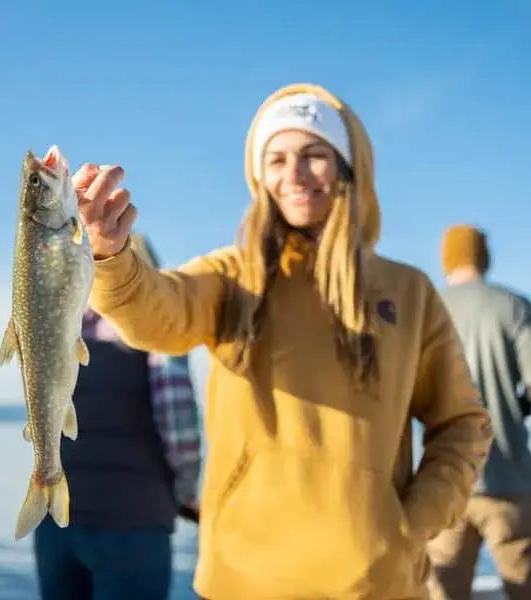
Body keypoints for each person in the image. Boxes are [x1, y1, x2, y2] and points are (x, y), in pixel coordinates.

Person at [74, 83, 493, 599]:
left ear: (346, 167)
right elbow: (159, 309)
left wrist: (410, 524)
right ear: (258, 174)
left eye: (313, 155)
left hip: (374, 582)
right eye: (276, 159)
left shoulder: (408, 292)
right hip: (242, 581)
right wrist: (111, 258)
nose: (292, 175)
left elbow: (463, 424)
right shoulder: (232, 276)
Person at [32, 232, 202, 600]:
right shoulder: (157, 327)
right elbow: (178, 423)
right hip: (133, 523)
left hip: (55, 520)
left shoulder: (63, 327)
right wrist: (188, 492)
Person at [426, 225, 531, 600]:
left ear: (447, 256)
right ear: (484, 256)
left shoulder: (428, 308)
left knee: (443, 588)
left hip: (443, 480)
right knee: (523, 584)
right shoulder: (513, 307)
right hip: (510, 475)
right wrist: (514, 409)